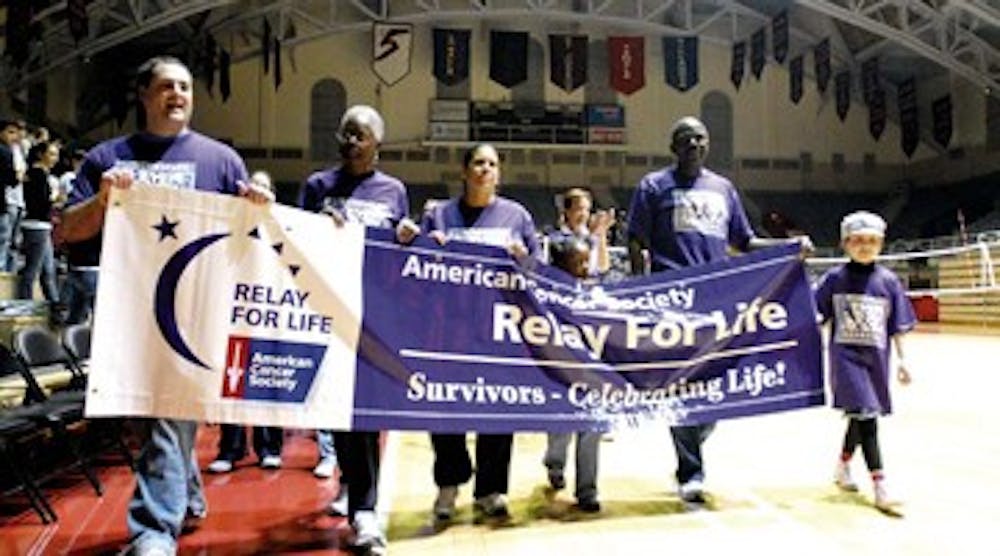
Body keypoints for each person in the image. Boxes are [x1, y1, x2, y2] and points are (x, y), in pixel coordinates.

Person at [60, 55, 272, 556]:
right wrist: (101, 201)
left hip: (194, 314)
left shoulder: (221, 161)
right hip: (127, 313)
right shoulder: (106, 158)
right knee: (155, 419)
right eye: (166, 86)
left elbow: (250, 244)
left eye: (185, 86)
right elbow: (68, 230)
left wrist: (258, 209)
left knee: (166, 416)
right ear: (144, 95)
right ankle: (188, 498)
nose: (178, 94)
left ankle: (153, 532)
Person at [626, 116, 811, 504]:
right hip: (672, 303)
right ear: (673, 147)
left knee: (716, 389)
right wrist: (642, 291)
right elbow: (636, 240)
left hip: (717, 302)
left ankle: (693, 442)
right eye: (686, 139)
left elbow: (744, 242)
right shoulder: (653, 186)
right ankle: (691, 472)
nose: (694, 144)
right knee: (682, 385)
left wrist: (786, 248)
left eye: (701, 138)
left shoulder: (723, 189)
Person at [402, 143, 540, 521]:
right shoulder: (439, 215)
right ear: (464, 171)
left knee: (498, 408)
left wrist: (523, 259)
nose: (485, 169)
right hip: (449, 328)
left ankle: (491, 489)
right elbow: (416, 268)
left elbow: (538, 271)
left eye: (492, 164)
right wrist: (428, 248)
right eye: (478, 163)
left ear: (499, 174)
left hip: (497, 330)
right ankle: (449, 483)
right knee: (445, 407)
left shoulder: (516, 216)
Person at [299, 104, 409, 556]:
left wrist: (406, 238)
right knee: (337, 411)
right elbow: (295, 245)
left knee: (365, 412)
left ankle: (364, 509)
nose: (350, 142)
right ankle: (354, 486)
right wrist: (319, 230)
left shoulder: (394, 191)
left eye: (360, 135)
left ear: (377, 142)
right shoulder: (317, 186)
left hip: (375, 315)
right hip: (327, 312)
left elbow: (400, 254)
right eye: (346, 133)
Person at [814, 210, 915, 514]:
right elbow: (817, 315)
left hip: (877, 362)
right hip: (846, 361)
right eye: (858, 241)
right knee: (867, 416)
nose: (865, 247)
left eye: (872, 241)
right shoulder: (834, 279)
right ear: (845, 243)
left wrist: (904, 360)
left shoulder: (889, 282)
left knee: (861, 416)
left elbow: (897, 325)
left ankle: (842, 466)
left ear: (881, 244)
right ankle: (881, 486)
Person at [208, 170, 285, 474]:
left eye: (263, 186)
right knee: (233, 381)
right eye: (253, 185)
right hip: (234, 314)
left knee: (266, 382)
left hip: (267, 313)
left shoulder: (284, 224)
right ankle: (230, 449)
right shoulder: (229, 225)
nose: (257, 190)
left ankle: (269, 448)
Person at [542, 233, 603, 513]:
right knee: (561, 427)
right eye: (578, 263)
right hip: (557, 373)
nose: (585, 268)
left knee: (592, 428)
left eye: (586, 261)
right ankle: (555, 464)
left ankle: (587, 490)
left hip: (590, 373)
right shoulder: (543, 294)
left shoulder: (595, 293)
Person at [17, 141, 61, 311]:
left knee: (48, 270)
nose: (55, 158)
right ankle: (25, 305)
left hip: (42, 225)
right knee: (32, 270)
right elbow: (40, 202)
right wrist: (55, 201)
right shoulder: (37, 174)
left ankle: (55, 306)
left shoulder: (40, 174)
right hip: (36, 226)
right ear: (41, 155)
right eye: (51, 154)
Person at [554, 187, 614, 275]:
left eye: (587, 210)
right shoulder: (557, 238)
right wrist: (592, 236)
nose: (583, 214)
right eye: (579, 209)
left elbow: (603, 267)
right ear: (567, 211)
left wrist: (602, 233)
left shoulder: (591, 235)